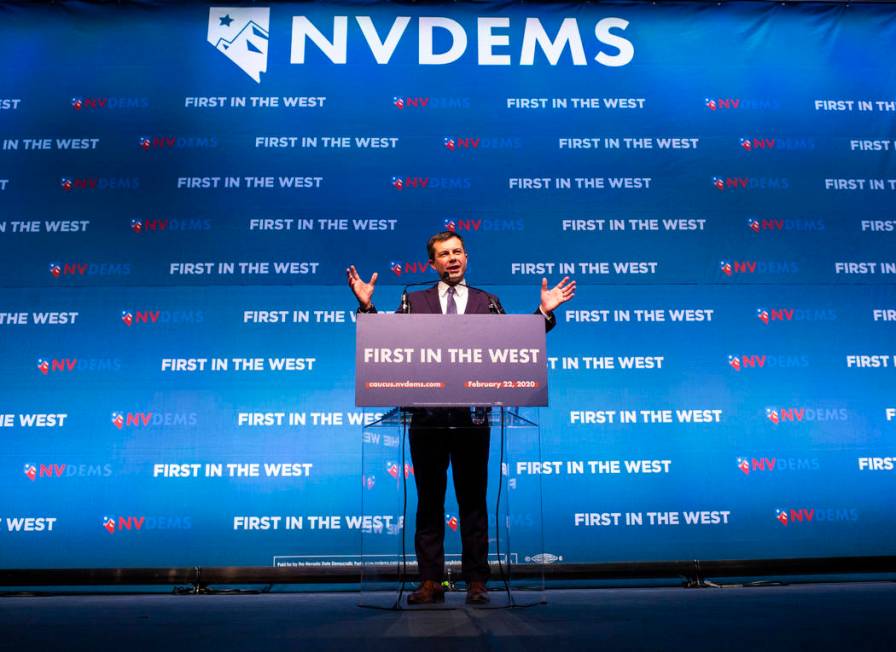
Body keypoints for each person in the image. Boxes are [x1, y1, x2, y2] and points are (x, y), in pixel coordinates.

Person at [347, 231, 575, 605]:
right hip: (426, 420)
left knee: (473, 501)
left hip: (473, 420)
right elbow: (388, 344)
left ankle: (476, 582)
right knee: (429, 501)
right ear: (432, 264)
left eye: (457, 252)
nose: (452, 259)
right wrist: (369, 311)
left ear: (466, 258)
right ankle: (430, 581)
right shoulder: (413, 299)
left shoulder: (488, 302)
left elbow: (515, 344)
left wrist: (542, 314)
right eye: (443, 254)